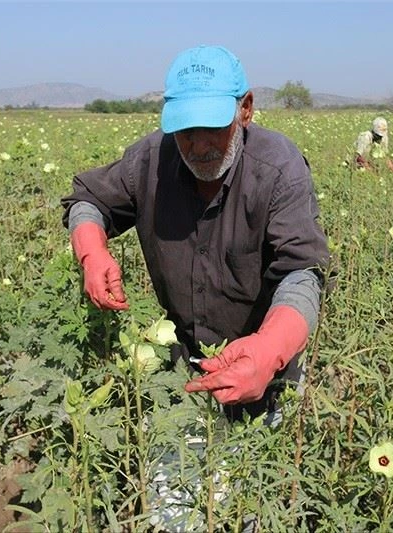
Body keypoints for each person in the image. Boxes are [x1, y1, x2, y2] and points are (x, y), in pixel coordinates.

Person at [61, 45, 330, 423]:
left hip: (266, 369)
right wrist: (92, 253)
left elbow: (302, 272)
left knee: (261, 455)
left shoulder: (278, 169)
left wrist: (269, 349)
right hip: (181, 367)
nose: (199, 146)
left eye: (214, 127)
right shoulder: (152, 159)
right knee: (180, 459)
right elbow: (89, 200)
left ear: (245, 109)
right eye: (186, 130)